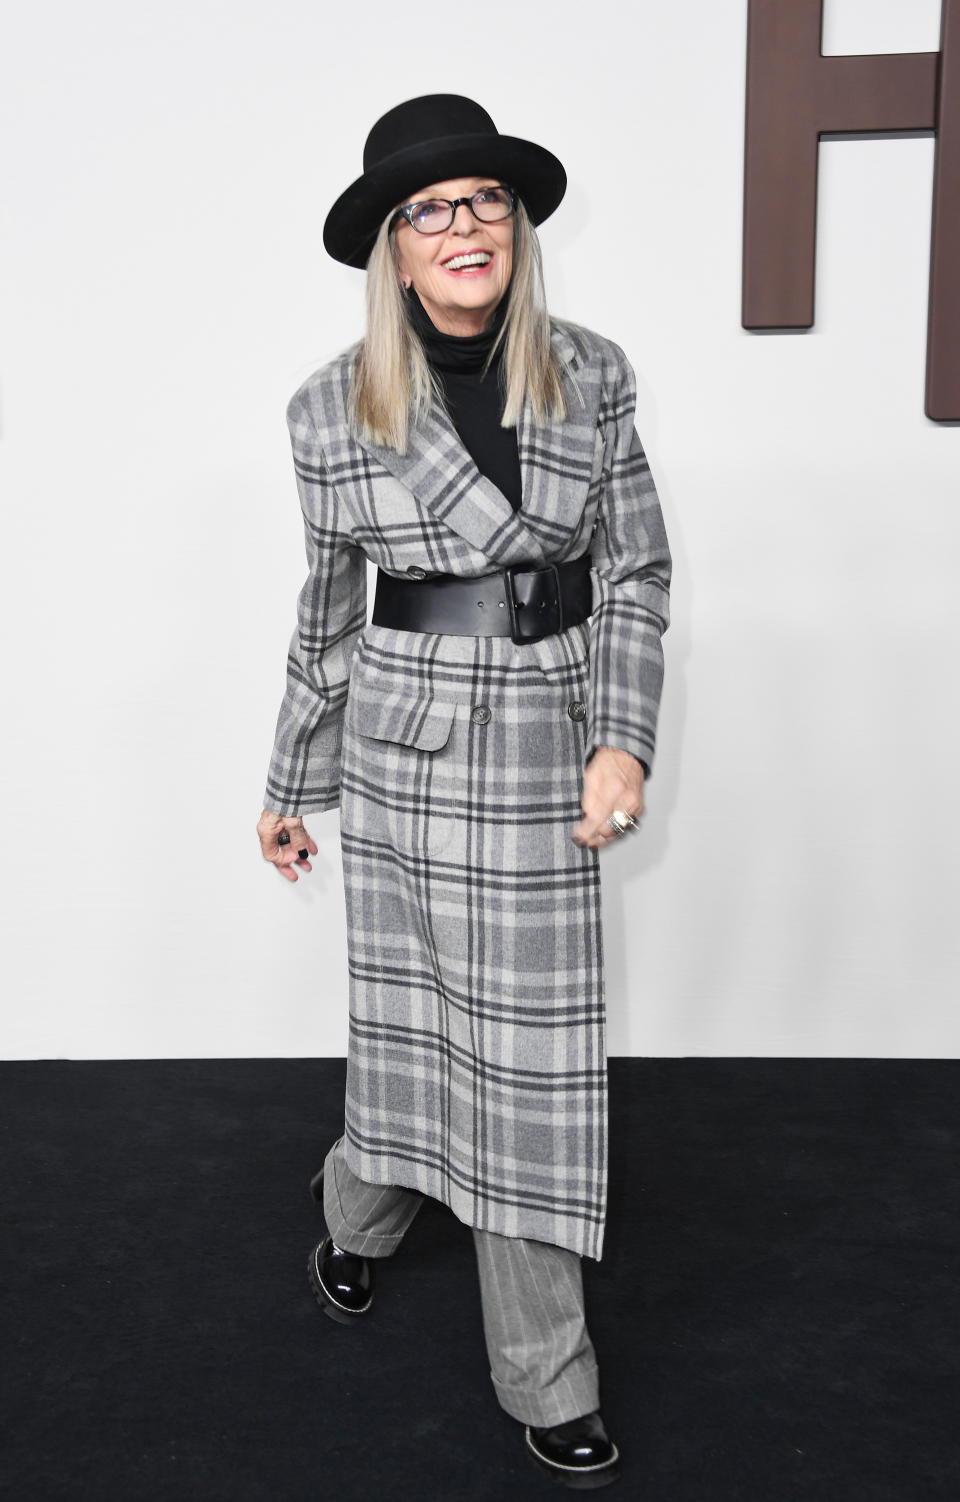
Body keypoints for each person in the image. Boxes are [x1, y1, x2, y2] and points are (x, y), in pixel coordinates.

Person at [257, 93, 671, 1489]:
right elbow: (326, 611)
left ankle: (491, 1326)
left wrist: (624, 735)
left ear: (515, 227)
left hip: (553, 749)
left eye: (484, 202)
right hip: (407, 750)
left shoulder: (594, 372)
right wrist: (288, 777)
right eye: (429, 211)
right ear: (393, 245)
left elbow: (636, 571)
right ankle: (387, 1241)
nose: (462, 228)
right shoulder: (329, 405)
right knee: (430, 1035)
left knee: (524, 1062)